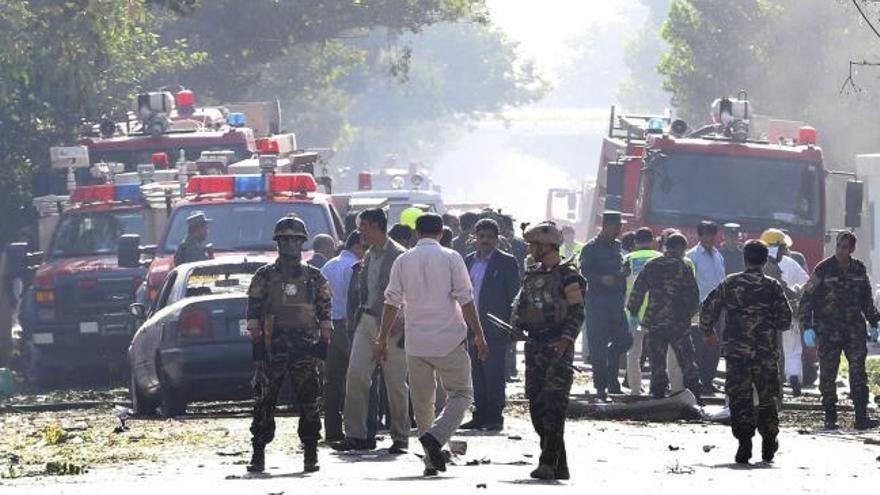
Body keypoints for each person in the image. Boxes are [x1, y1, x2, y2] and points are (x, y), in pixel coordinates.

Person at [378, 213, 489, 476]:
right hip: (449, 338)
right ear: (441, 233)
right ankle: (436, 439)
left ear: (417, 233)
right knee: (462, 394)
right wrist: (479, 334)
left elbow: (391, 301)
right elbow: (465, 299)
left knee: (422, 403)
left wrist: (381, 338)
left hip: (416, 342)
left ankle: (430, 460)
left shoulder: (403, 260)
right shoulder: (451, 258)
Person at [245, 216, 333, 473]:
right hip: (274, 346)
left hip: (305, 345)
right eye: (286, 240)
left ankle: (310, 453)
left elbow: (325, 312)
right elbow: (253, 312)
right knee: (264, 401)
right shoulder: (264, 276)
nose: (291, 245)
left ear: (303, 243)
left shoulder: (314, 277)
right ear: (278, 243)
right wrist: (258, 346)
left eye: (296, 240)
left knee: (309, 401)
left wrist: (322, 345)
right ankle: (258, 453)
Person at [700, 240, 791, 464]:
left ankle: (744, 443)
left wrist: (708, 331)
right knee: (768, 398)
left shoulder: (730, 283)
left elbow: (708, 307)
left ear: (745, 259)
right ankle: (769, 440)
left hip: (737, 353)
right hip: (765, 353)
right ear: (764, 260)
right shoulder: (773, 286)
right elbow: (785, 320)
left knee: (740, 399)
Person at [511, 221, 585, 480]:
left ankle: (547, 462)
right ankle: (559, 464)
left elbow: (577, 312)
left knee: (554, 407)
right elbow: (522, 305)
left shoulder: (568, 274)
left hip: (557, 347)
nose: (530, 249)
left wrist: (565, 341)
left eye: (534, 244)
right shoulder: (532, 274)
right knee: (537, 407)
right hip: (535, 347)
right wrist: (516, 327)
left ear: (547, 246)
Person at [332, 208, 410, 453]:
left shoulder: (400, 255)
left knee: (395, 382)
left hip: (393, 324)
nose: (359, 231)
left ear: (375, 225)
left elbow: (410, 290)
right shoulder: (368, 255)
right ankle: (356, 435)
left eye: (362, 225)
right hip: (366, 321)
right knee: (356, 376)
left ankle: (400, 437)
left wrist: (403, 319)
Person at [799, 231, 880, 430]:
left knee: (858, 373)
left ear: (852, 249)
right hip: (828, 330)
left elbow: (866, 301)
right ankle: (830, 416)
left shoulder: (859, 269)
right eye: (839, 247)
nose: (841, 251)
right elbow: (807, 298)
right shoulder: (824, 269)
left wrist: (875, 323)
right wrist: (807, 326)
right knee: (828, 373)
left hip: (854, 330)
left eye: (846, 247)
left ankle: (861, 417)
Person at [460, 218, 520, 431]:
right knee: (475, 372)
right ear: (475, 238)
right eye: (481, 236)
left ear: (496, 239)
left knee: (493, 372)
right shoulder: (467, 261)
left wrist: (513, 325)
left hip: (494, 327)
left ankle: (494, 416)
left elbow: (514, 295)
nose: (485, 240)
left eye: (489, 237)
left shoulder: (506, 262)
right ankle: (480, 414)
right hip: (469, 326)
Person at [627, 233, 701, 399]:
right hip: (679, 323)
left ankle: (658, 393)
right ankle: (695, 395)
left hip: (655, 321)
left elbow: (638, 291)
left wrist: (633, 312)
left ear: (666, 247)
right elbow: (693, 296)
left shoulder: (651, 265)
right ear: (682, 248)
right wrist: (689, 315)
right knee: (687, 361)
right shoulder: (683, 267)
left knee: (657, 362)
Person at [579, 211, 632, 399]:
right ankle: (603, 387)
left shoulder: (618, 247)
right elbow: (583, 273)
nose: (620, 229)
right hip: (597, 302)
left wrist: (624, 273)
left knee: (625, 340)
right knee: (598, 345)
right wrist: (601, 279)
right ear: (606, 225)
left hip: (616, 301)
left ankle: (610, 371)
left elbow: (621, 268)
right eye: (617, 225)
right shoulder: (591, 248)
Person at [319, 231, 365, 442]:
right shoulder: (355, 267)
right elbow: (354, 299)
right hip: (348, 326)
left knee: (332, 381)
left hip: (329, 325)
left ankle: (332, 429)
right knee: (356, 378)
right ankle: (356, 428)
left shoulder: (328, 265)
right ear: (357, 246)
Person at [760, 228, 808, 397]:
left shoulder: (760, 263)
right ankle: (792, 377)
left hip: (771, 318)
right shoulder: (777, 265)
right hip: (784, 316)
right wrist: (796, 294)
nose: (785, 251)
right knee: (793, 348)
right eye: (782, 248)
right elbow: (804, 283)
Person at [686, 220, 725, 394]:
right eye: (706, 234)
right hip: (700, 307)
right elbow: (689, 282)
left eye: (712, 234)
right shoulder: (692, 256)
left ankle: (708, 380)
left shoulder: (718, 255)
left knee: (715, 346)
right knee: (699, 345)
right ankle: (699, 380)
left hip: (718, 308)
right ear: (700, 235)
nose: (710, 238)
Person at [622, 228, 663, 396]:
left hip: (634, 313)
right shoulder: (660, 259)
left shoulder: (628, 259)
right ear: (652, 240)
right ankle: (657, 387)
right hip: (657, 312)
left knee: (634, 354)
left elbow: (622, 284)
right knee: (658, 353)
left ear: (635, 241)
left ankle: (634, 388)